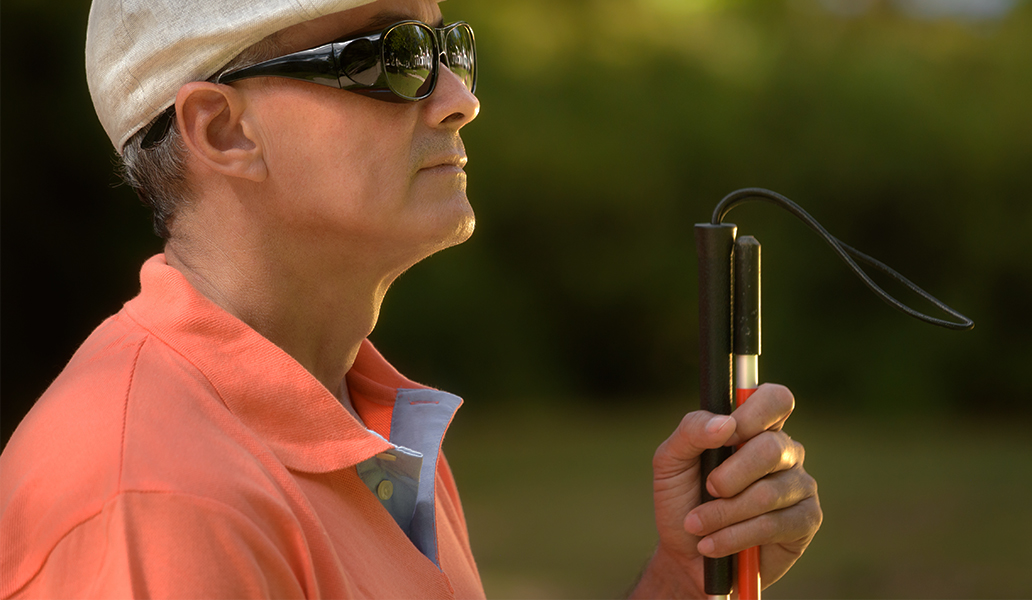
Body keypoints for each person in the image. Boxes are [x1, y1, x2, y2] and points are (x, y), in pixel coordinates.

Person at [0, 0, 821, 597]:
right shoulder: (156, 502)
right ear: (222, 131)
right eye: (390, 55)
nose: (460, 97)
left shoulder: (361, 416)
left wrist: (683, 580)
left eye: (446, 46)